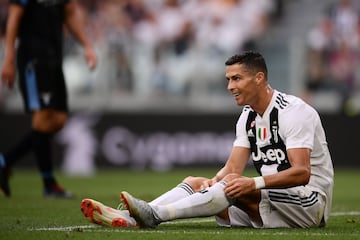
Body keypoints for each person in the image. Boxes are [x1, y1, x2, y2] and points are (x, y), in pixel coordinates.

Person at [80, 51, 334, 228]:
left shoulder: (294, 111)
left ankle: (153, 215)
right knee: (196, 181)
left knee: (233, 184)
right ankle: (133, 216)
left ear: (259, 78)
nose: (230, 87)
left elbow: (301, 172)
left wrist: (252, 183)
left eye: (236, 79)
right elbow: (233, 168)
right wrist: (212, 182)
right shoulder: (247, 117)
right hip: (270, 198)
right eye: (228, 80)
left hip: (308, 202)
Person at [0, 0, 97, 198]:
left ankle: (5, 162)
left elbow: (70, 14)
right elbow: (14, 17)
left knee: (58, 120)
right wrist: (8, 57)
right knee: (42, 118)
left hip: (54, 58)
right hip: (33, 60)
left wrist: (87, 45)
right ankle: (49, 184)